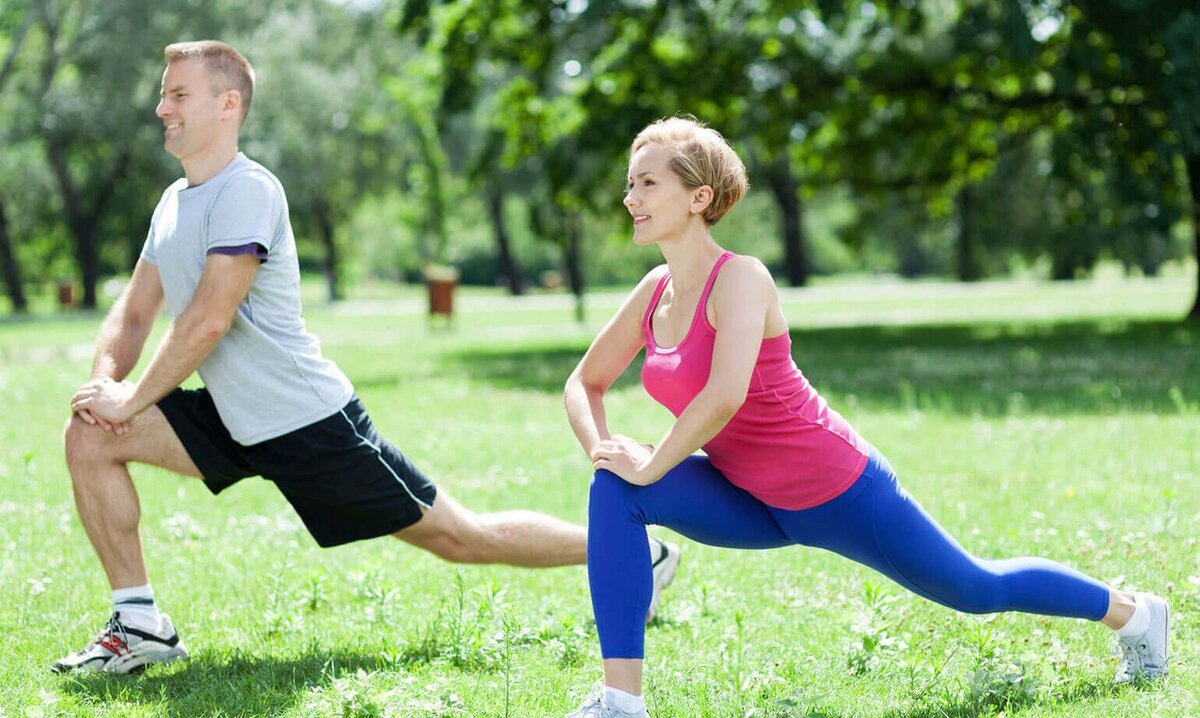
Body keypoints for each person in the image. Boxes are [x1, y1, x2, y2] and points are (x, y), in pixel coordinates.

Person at [54, 40, 679, 675]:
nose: (162, 107)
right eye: (164, 94)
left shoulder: (248, 191)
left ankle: (638, 553)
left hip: (306, 421)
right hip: (233, 415)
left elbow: (208, 320)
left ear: (227, 104)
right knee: (90, 437)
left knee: (462, 538)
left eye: (177, 94)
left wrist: (132, 400)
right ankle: (139, 626)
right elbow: (135, 312)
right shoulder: (172, 204)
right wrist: (102, 389)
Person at [561, 116, 1170, 718]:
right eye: (630, 184)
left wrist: (654, 465)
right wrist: (609, 453)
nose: (630, 198)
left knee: (976, 589)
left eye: (647, 184)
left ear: (700, 197)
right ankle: (622, 704)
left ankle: (1136, 614)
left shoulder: (741, 279)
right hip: (748, 497)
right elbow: (584, 383)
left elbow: (725, 395)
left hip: (837, 489)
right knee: (612, 487)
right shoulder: (653, 291)